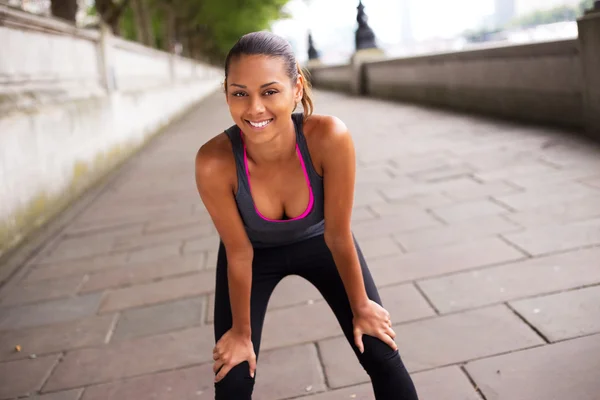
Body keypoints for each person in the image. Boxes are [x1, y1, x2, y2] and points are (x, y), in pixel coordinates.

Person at [194, 31, 419, 400]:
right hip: (252, 255)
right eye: (240, 93)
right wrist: (241, 334)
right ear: (226, 93)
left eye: (269, 91)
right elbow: (239, 253)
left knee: (380, 349)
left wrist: (362, 307)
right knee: (233, 377)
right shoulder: (213, 162)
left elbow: (337, 235)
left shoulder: (329, 136)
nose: (254, 109)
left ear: (296, 88)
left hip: (324, 243)